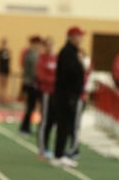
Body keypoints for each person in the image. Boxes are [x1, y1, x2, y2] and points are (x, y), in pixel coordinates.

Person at [50, 26, 85, 168]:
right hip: (66, 96)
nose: (81, 40)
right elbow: (68, 74)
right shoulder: (67, 53)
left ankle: (61, 153)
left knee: (66, 126)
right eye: (79, 37)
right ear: (73, 38)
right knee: (63, 126)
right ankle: (59, 155)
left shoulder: (73, 52)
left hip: (69, 95)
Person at [36, 37, 57, 159]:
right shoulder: (42, 59)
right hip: (46, 93)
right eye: (47, 45)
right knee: (44, 120)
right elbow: (41, 76)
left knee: (52, 121)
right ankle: (42, 148)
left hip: (55, 93)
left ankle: (47, 146)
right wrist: (54, 80)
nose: (50, 47)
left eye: (51, 45)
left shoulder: (56, 58)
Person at [19, 36, 42, 134]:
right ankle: (25, 127)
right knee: (30, 106)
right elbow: (33, 70)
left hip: (32, 83)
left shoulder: (34, 53)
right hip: (32, 83)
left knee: (31, 106)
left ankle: (26, 126)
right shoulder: (31, 54)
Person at [0, 38, 12, 104]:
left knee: (5, 85)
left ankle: (4, 98)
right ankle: (0, 98)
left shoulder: (8, 52)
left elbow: (9, 61)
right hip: (1, 70)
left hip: (6, 70)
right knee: (1, 84)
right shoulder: (0, 52)